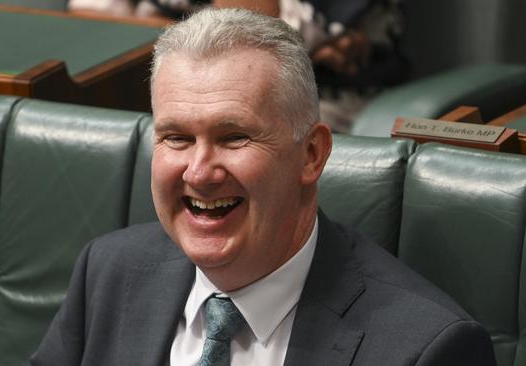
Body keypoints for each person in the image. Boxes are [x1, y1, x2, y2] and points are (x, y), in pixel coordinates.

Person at [30, 8, 495, 366]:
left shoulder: (426, 349)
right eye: (177, 138)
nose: (198, 171)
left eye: (234, 137)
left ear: (311, 155)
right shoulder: (106, 273)